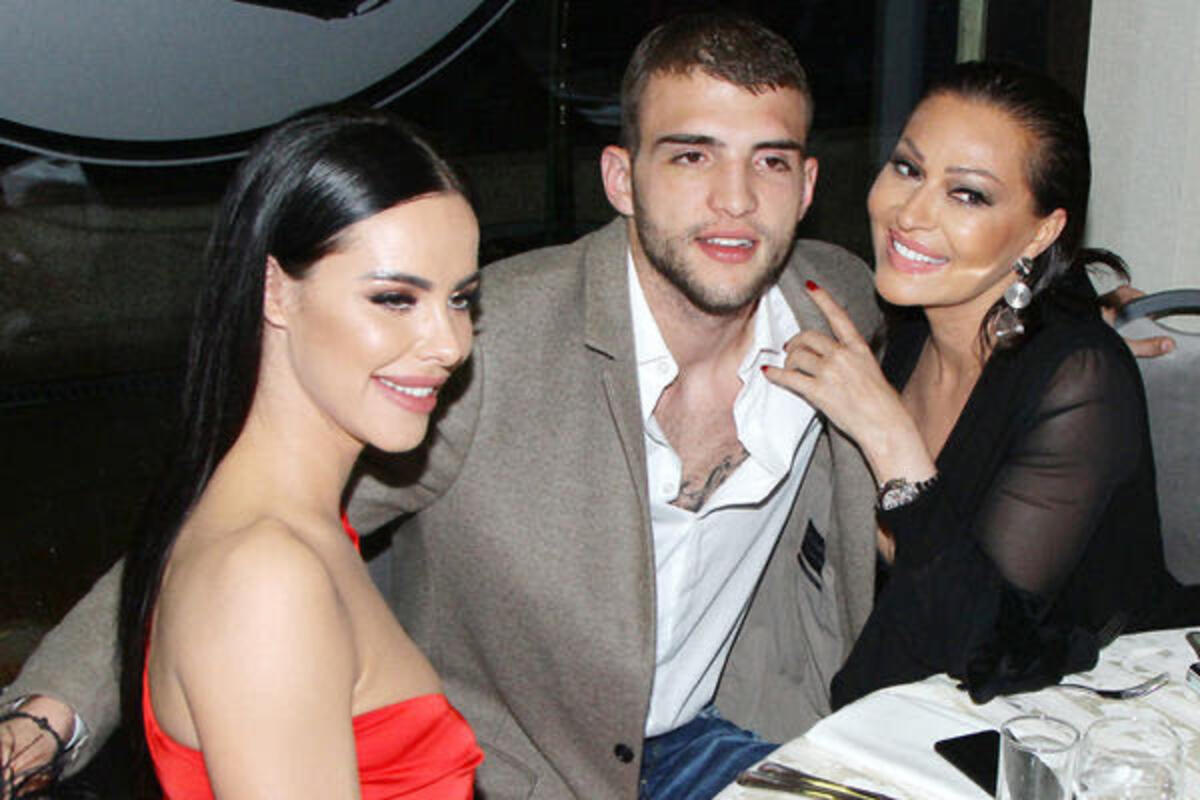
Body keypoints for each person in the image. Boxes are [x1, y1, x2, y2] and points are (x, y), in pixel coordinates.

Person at [3, 13, 882, 800]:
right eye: (691, 155)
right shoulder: (472, 357)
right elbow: (228, 548)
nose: (736, 199)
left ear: (808, 186)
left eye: (770, 162)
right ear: (621, 178)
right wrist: (54, 710)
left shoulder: (834, 307)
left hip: (717, 738)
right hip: (522, 773)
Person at [9, 108, 487, 798]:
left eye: (462, 299)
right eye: (394, 298)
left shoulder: (299, 527)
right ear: (275, 291)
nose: (448, 344)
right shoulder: (266, 578)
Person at [764, 61, 1180, 708]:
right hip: (911, 703)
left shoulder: (1080, 380)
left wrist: (888, 437)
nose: (909, 214)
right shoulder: (905, 323)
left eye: (968, 195)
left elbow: (984, 647)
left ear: (1042, 231)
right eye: (908, 168)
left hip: (1077, 719)